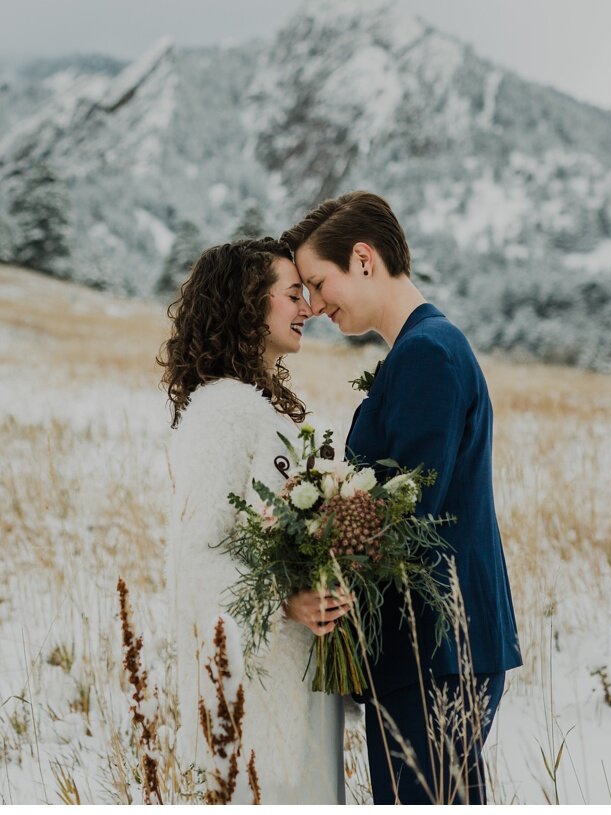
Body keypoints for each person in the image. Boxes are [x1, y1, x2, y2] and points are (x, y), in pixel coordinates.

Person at [281, 191, 523, 805]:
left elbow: (405, 513)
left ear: (363, 259)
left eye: (317, 281)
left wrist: (311, 537)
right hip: (437, 644)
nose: (312, 304)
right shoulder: (421, 347)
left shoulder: (427, 355)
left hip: (435, 647)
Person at [159, 236, 348, 804]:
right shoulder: (221, 411)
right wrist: (285, 600)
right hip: (258, 697)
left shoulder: (263, 408)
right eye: (293, 295)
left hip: (298, 680)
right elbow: (195, 559)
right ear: (248, 305)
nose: (308, 308)